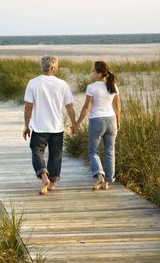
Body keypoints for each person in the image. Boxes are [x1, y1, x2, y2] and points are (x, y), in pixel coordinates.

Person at [23, 56, 76, 195]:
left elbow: (28, 107)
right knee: (55, 155)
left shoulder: (33, 83)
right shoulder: (62, 84)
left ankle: (43, 175)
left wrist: (26, 125)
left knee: (36, 150)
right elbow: (69, 106)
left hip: (40, 127)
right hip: (57, 127)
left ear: (43, 66)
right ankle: (52, 183)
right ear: (53, 68)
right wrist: (74, 123)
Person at [74, 61, 120, 191]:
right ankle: (107, 181)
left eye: (93, 71)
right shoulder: (114, 86)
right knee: (110, 151)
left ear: (99, 73)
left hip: (97, 121)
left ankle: (100, 175)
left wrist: (77, 123)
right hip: (111, 121)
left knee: (93, 151)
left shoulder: (92, 87)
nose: (92, 73)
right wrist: (118, 121)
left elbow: (86, 107)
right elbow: (117, 108)